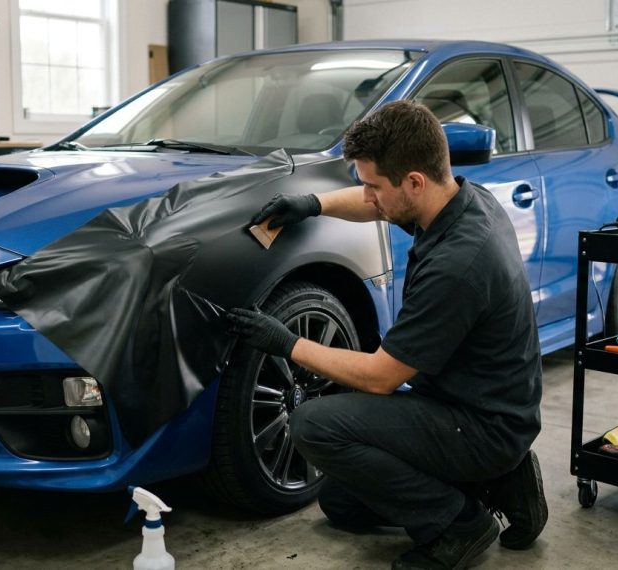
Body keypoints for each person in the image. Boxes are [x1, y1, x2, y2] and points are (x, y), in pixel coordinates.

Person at [226, 100, 547, 570]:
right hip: (479, 402)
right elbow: (378, 203)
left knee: (313, 426)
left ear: (414, 181)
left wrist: (286, 343)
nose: (368, 196)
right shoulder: (462, 197)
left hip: (482, 424)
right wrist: (313, 204)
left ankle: (459, 522)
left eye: (373, 185)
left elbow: (381, 377)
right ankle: (504, 479)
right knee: (343, 506)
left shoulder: (460, 264)